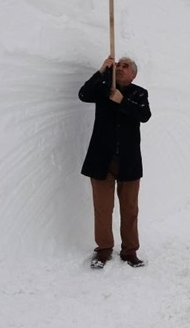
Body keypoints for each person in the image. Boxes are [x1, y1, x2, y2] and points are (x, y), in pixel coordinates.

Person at [78, 56, 151, 269]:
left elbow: (144, 115)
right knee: (103, 208)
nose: (120, 68)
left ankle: (129, 251)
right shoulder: (103, 89)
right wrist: (102, 70)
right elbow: (83, 94)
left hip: (129, 162)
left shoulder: (139, 93)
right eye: (118, 65)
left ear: (133, 74)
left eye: (125, 66)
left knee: (129, 209)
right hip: (101, 160)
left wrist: (122, 101)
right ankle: (103, 250)